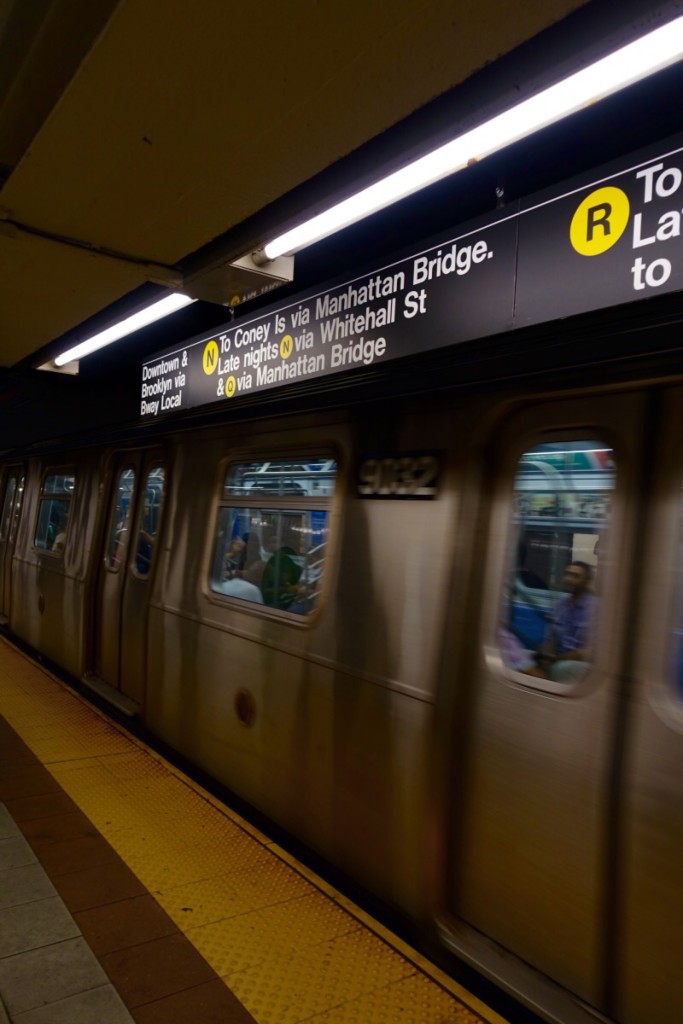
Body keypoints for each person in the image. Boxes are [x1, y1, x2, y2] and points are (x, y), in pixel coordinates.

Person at [536, 561, 597, 682]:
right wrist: (542, 654)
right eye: (568, 574)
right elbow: (550, 639)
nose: (569, 579)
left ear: (587, 581)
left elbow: (590, 653)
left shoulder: (595, 609)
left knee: (562, 668)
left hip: (579, 663)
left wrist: (557, 659)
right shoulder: (560, 605)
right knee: (521, 659)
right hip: (558, 658)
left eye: (576, 576)